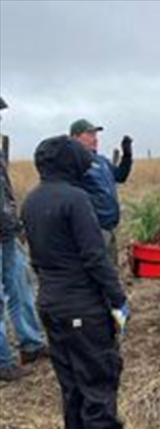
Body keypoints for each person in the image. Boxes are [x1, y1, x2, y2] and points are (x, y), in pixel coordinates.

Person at [22, 135, 129, 429]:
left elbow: (36, 259)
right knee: (98, 384)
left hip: (51, 305)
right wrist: (118, 298)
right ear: (70, 163)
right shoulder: (76, 199)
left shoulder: (31, 200)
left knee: (71, 386)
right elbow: (96, 257)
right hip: (82, 308)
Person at [0, 96, 47, 382]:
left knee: (22, 289)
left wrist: (15, 226)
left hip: (7, 234)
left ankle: (31, 345)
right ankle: (3, 361)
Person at [70, 119, 133, 264]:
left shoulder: (101, 160)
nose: (95, 138)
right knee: (96, 270)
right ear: (75, 137)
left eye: (96, 134)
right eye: (90, 134)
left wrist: (127, 156)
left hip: (109, 227)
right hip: (92, 229)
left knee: (110, 270)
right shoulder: (73, 162)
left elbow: (120, 176)